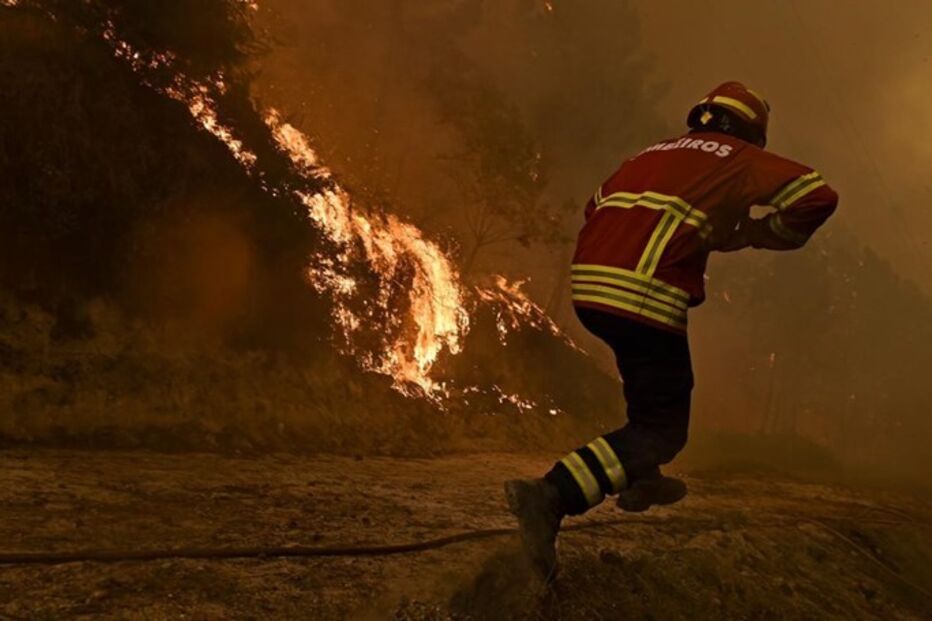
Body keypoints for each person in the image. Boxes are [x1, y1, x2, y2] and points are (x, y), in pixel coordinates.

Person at [505, 81, 839, 580]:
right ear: (750, 132)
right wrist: (758, 234)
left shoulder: (650, 153)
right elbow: (817, 196)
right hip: (644, 291)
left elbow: (596, 207)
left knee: (650, 394)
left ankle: (640, 474)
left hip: (590, 286)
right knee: (663, 429)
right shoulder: (738, 156)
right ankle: (551, 495)